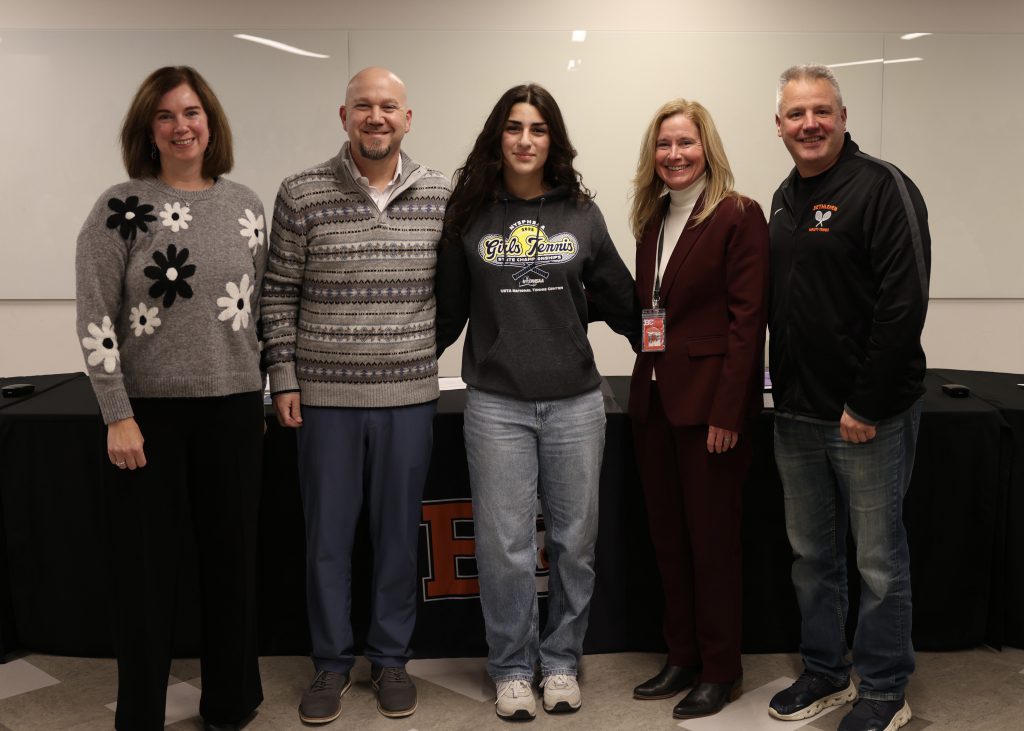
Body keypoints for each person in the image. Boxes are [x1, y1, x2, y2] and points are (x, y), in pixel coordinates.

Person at [435, 83, 639, 721]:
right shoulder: (469, 216)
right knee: (505, 546)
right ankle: (512, 669)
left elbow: (625, 303)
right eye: (515, 127)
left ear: (554, 141)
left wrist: (683, 355)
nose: (525, 140)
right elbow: (444, 315)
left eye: (539, 129)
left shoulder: (581, 214)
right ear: (499, 136)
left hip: (576, 403)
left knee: (575, 543)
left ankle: (560, 663)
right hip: (496, 405)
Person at [75, 66, 266, 731]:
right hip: (148, 416)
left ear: (210, 122)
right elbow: (96, 316)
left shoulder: (247, 205)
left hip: (236, 407)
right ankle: (140, 714)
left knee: (232, 566)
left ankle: (230, 702)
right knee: (147, 580)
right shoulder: (120, 206)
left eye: (192, 112)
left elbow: (260, 310)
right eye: (165, 116)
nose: (182, 126)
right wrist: (117, 413)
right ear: (147, 130)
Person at [260, 67, 450, 724]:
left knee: (399, 538)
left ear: (407, 117)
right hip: (325, 400)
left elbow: (452, 293)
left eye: (388, 106)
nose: (376, 116)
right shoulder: (301, 192)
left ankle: (391, 656)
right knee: (328, 541)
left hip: (408, 397)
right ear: (343, 117)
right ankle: (331, 662)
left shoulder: (442, 194)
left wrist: (425, 352)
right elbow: (278, 292)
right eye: (363, 105)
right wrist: (283, 377)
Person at [766, 64, 930, 731]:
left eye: (821, 111)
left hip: (867, 417)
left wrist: (864, 403)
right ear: (778, 125)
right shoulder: (783, 196)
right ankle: (827, 670)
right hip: (797, 413)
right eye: (795, 114)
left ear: (842, 114)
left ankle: (886, 688)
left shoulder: (883, 187)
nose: (809, 124)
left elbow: (904, 302)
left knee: (877, 561)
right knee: (812, 554)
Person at [626, 99, 769, 720]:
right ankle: (681, 656)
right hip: (655, 401)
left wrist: (729, 413)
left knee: (712, 544)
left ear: (706, 148)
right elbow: (654, 314)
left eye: (686, 143)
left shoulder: (738, 215)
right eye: (664, 146)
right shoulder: (651, 221)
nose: (675, 156)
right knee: (669, 540)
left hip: (709, 408)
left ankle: (720, 669)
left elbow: (748, 325)